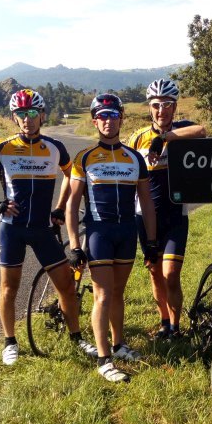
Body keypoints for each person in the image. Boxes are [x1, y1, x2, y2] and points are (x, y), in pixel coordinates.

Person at [0, 88, 96, 365]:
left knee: (66, 287)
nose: (27, 119)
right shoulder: (3, 147)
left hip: (42, 228)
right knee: (9, 288)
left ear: (42, 115)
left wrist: (59, 207)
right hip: (11, 227)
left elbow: (72, 176)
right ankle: (10, 342)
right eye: (21, 114)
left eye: (32, 113)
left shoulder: (55, 147)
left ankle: (76, 337)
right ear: (14, 117)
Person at [66, 93, 157, 383]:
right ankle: (104, 359)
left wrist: (151, 243)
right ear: (95, 121)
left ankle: (118, 345)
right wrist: (75, 245)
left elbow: (147, 203)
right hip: (99, 232)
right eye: (102, 116)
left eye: (113, 115)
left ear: (121, 119)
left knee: (119, 293)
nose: (108, 121)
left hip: (127, 231)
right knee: (103, 294)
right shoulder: (85, 158)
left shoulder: (134, 158)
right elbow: (71, 204)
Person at [127, 78, 206, 339]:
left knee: (170, 273)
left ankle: (176, 325)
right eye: (156, 105)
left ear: (175, 106)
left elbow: (202, 130)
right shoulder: (137, 138)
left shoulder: (183, 130)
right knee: (155, 273)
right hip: (145, 217)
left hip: (175, 216)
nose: (162, 110)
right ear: (150, 108)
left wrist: (165, 137)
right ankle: (164, 322)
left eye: (168, 104)